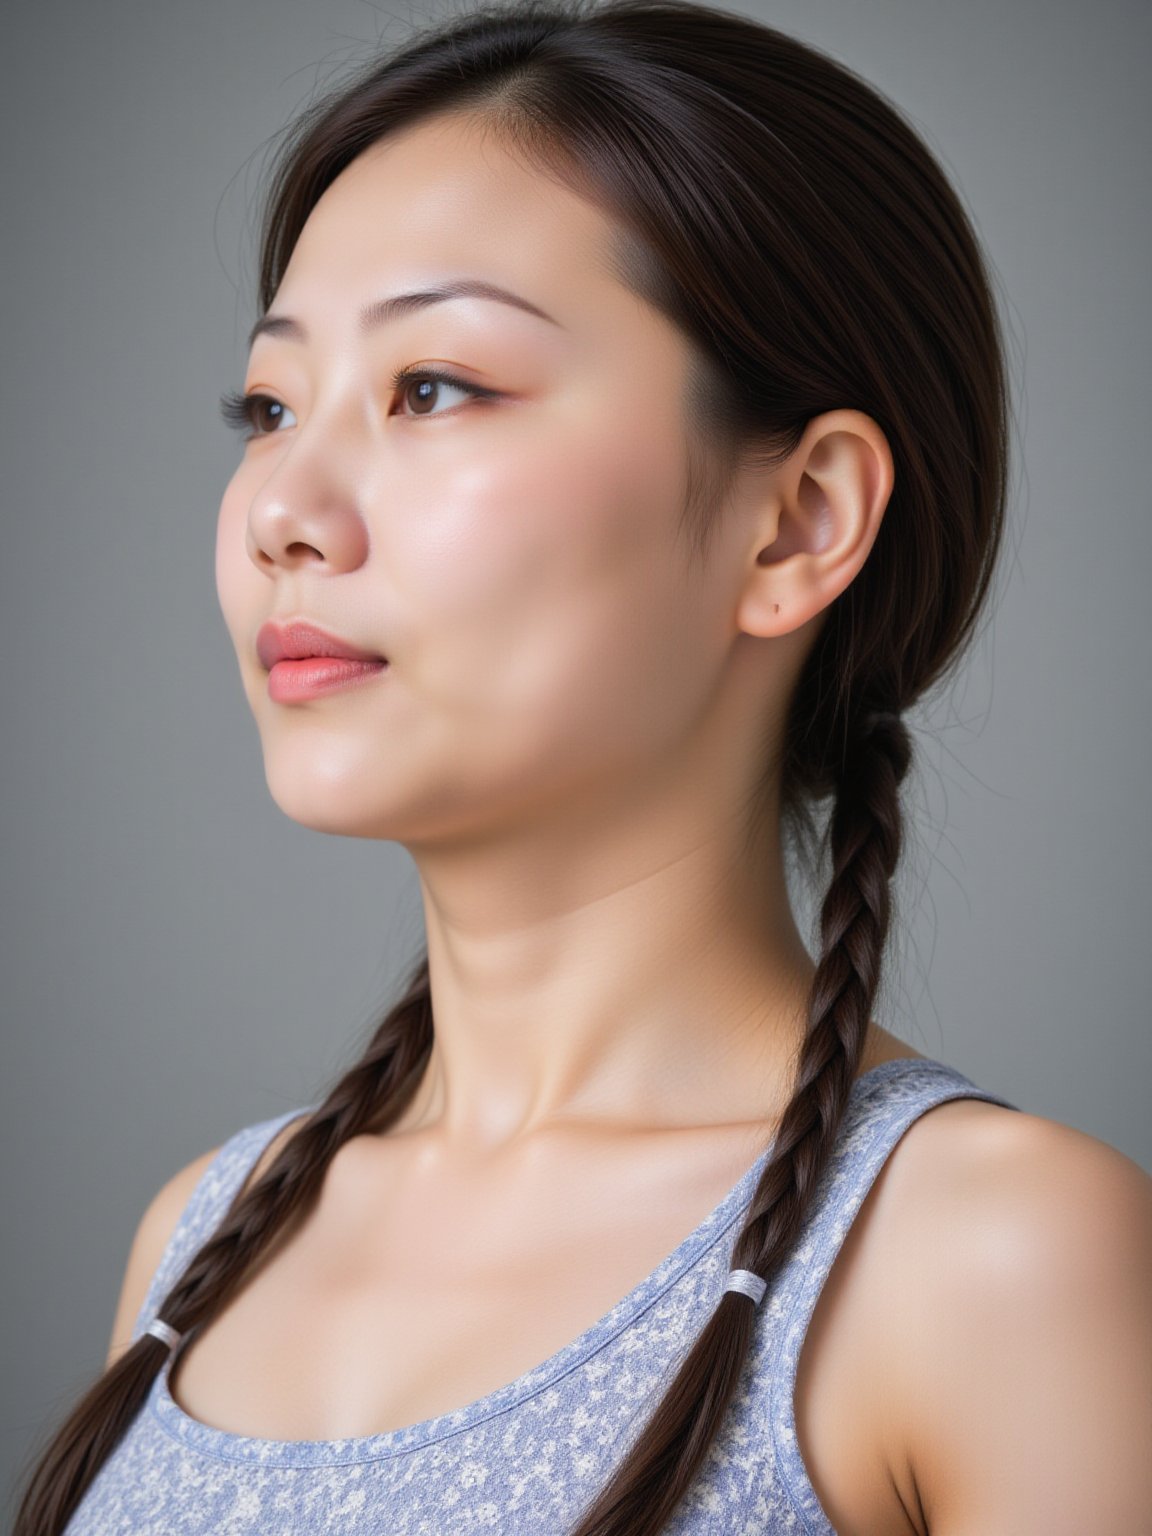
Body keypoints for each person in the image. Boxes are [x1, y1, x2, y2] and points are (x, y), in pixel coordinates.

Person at [15, 1, 1151, 1531]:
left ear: (801, 519)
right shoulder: (205, 1235)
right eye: (269, 407)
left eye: (435, 388)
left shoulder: (990, 1255)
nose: (287, 506)